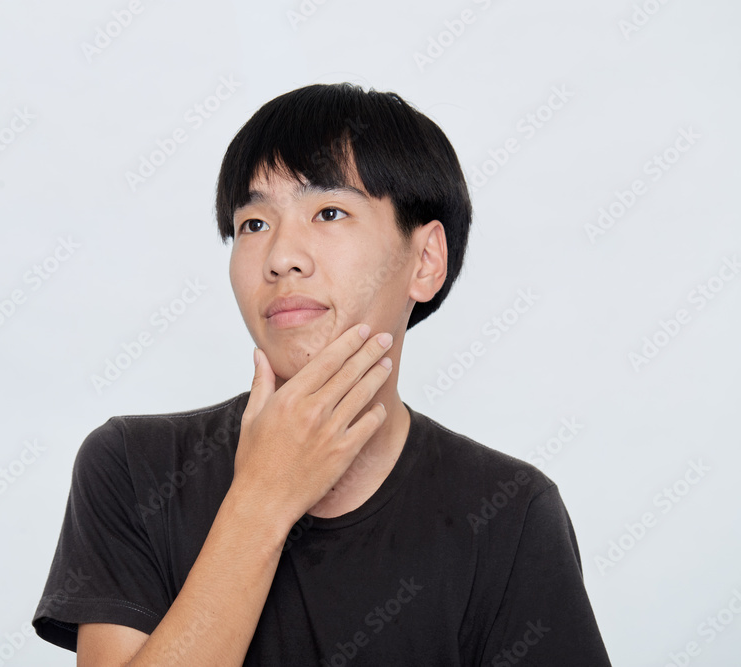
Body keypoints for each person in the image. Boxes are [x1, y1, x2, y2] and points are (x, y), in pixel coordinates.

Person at [32, 82, 612, 665]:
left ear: (425, 260)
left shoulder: (509, 512)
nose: (281, 257)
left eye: (329, 212)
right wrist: (263, 499)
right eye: (253, 224)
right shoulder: (133, 468)